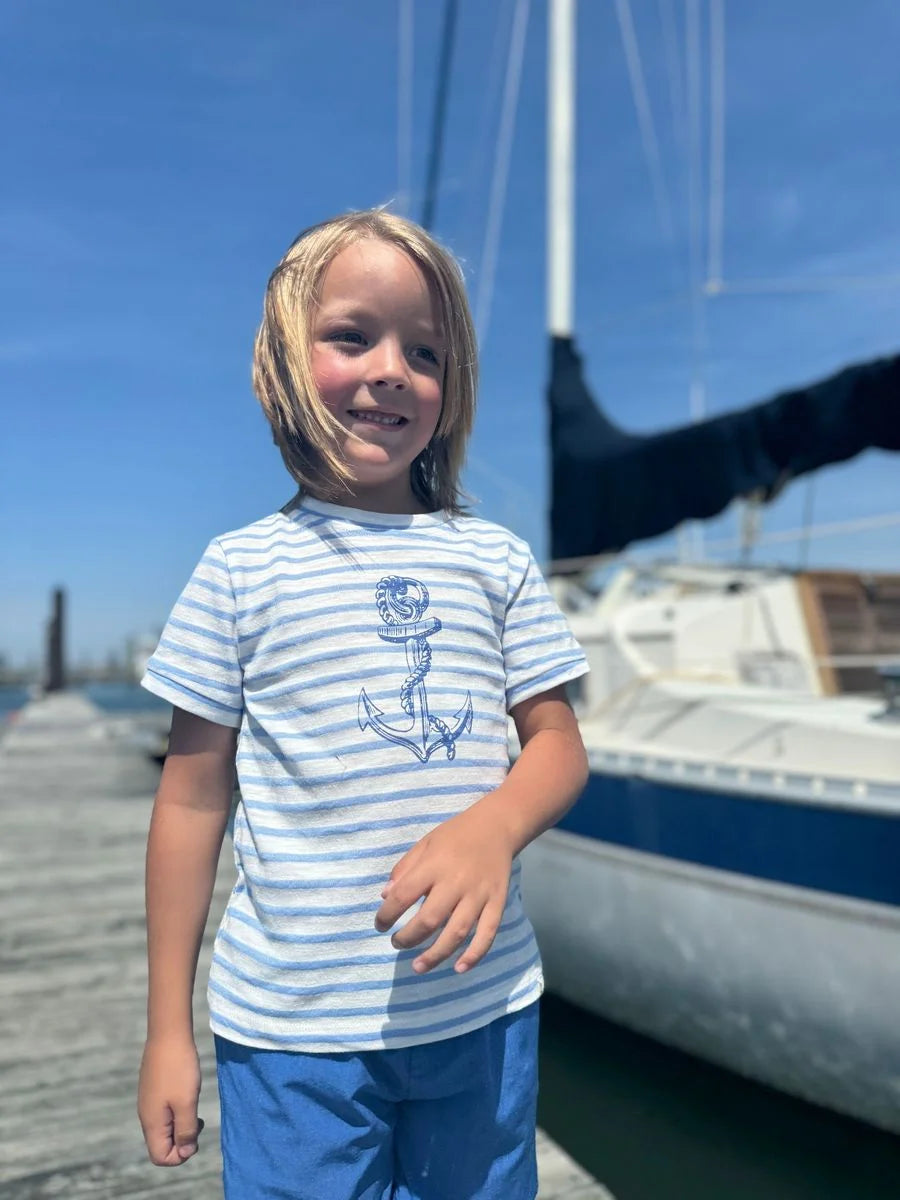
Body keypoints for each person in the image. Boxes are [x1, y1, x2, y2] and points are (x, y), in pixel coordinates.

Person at [137, 209, 589, 1200]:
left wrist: (494, 826)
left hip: (484, 1014)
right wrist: (167, 1025)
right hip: (295, 1035)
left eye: (423, 351)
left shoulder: (493, 559)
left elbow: (557, 743)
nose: (390, 369)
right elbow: (192, 798)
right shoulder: (239, 571)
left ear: (451, 385)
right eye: (352, 337)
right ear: (283, 364)